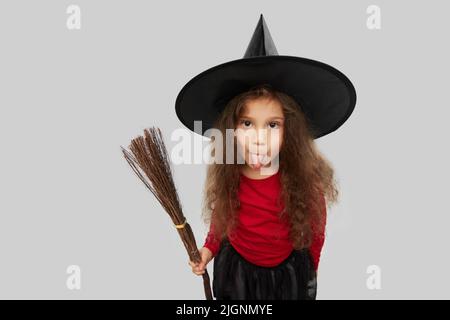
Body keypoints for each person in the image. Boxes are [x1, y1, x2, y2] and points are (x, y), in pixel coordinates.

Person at [177, 14, 356, 300]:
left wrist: (312, 274)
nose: (259, 137)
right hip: (236, 272)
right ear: (232, 129)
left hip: (285, 276)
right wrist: (207, 252)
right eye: (247, 123)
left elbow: (315, 232)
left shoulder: (303, 181)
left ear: (290, 132)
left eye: (272, 125)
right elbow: (222, 219)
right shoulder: (231, 173)